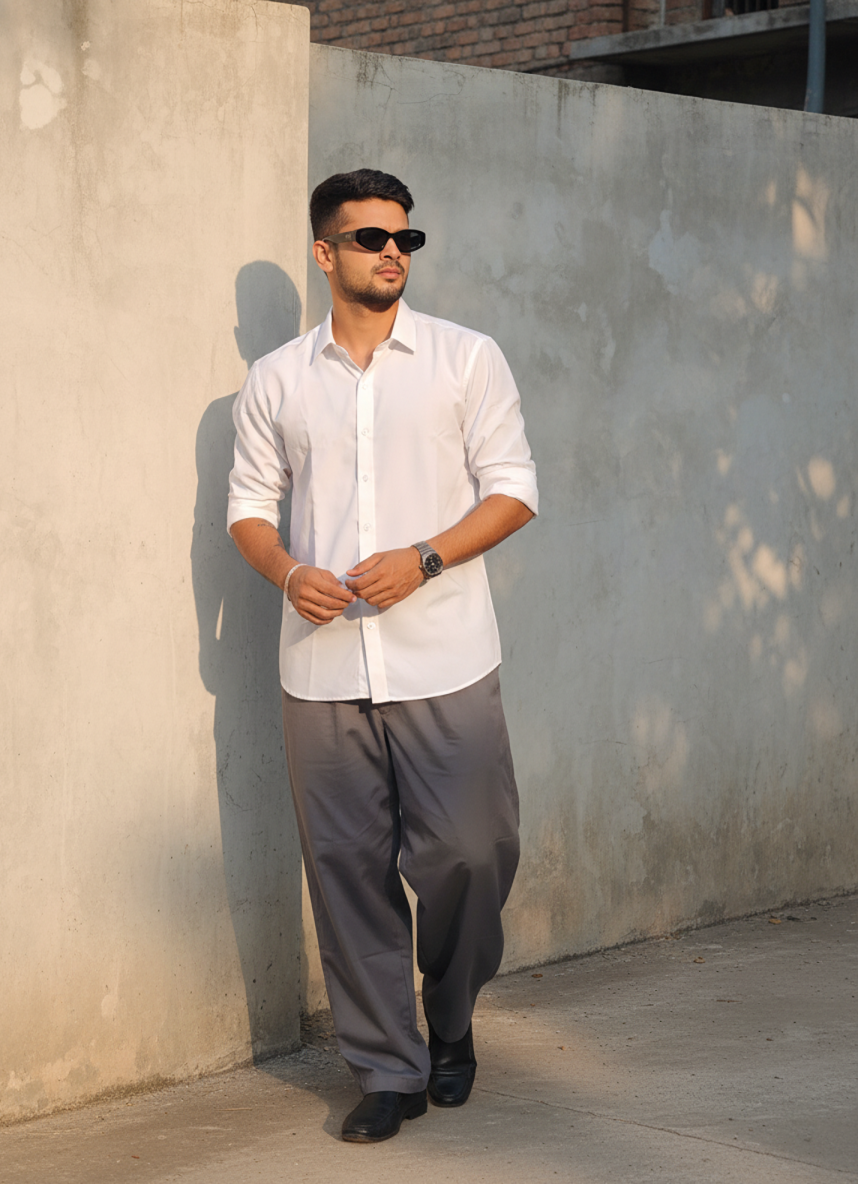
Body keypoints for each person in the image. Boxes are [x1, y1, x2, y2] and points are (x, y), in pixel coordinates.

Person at [227, 169, 538, 1143]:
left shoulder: (465, 359)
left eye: (405, 237)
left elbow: (515, 488)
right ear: (327, 254)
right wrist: (286, 572)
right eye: (368, 238)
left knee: (470, 852)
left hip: (444, 656)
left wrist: (426, 556)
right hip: (320, 668)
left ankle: (451, 1018)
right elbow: (247, 507)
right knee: (347, 869)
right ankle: (388, 1066)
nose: (391, 251)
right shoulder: (277, 377)